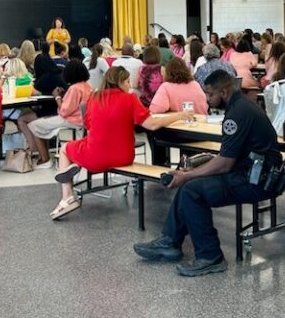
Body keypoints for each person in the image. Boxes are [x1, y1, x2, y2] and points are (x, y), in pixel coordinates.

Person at [133, 70, 282, 276]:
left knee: (192, 190)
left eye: (210, 94)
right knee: (189, 185)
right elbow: (227, 157)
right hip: (249, 172)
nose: (207, 99)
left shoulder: (238, 113)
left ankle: (210, 256)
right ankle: (170, 241)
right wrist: (194, 172)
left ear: (224, 92)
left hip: (256, 180)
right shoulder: (241, 106)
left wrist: (188, 175)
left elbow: (224, 164)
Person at [50, 66, 192, 220]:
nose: (130, 85)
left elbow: (89, 125)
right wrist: (180, 115)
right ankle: (76, 166)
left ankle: (67, 196)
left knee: (65, 148)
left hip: (95, 157)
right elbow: (152, 124)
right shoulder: (130, 99)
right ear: (119, 82)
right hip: (124, 156)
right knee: (87, 147)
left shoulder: (94, 98)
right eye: (127, 81)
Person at [27, 60, 92, 168]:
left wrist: (57, 96)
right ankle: (46, 156)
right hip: (83, 120)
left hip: (71, 120)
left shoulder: (74, 88)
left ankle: (45, 159)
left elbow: (64, 111)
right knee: (43, 122)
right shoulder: (87, 86)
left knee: (34, 125)